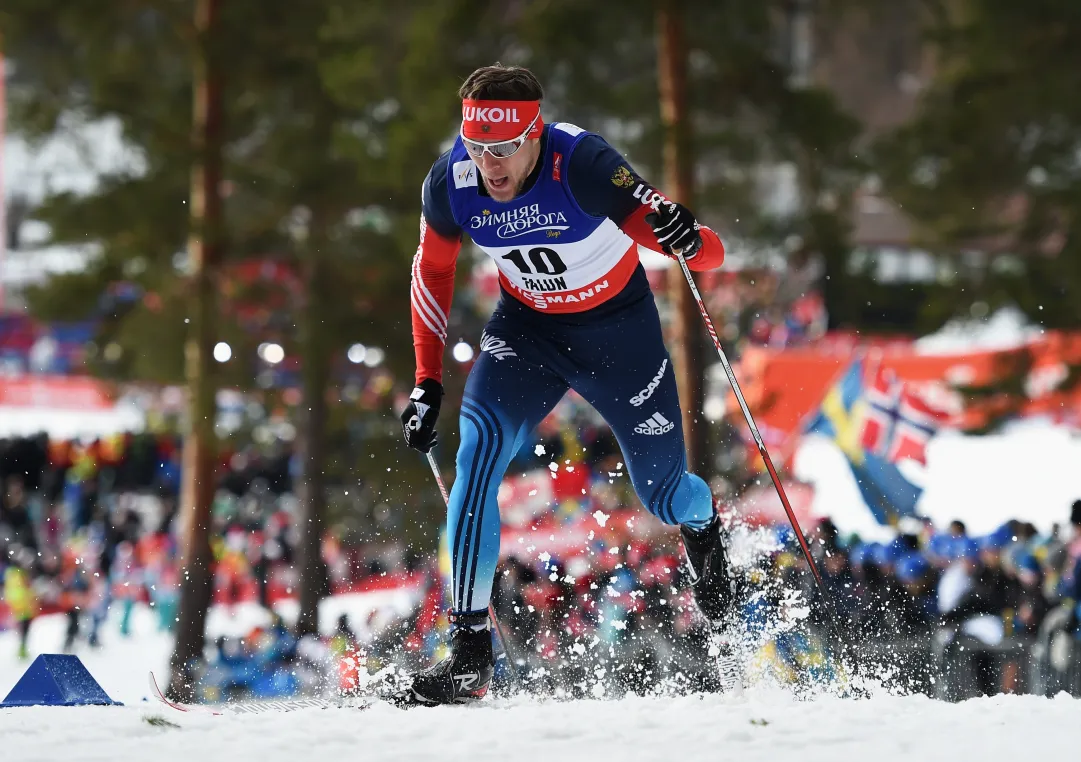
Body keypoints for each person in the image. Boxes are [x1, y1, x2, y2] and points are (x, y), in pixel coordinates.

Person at [397, 64, 733, 705]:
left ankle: (706, 527)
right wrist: (425, 380)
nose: (489, 166)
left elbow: (704, 253)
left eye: (502, 149)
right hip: (527, 333)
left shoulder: (581, 164)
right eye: (475, 147)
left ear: (534, 135)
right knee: (477, 460)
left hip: (619, 338)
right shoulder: (450, 183)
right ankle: (469, 653)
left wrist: (689, 237)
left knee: (664, 497)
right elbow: (431, 273)